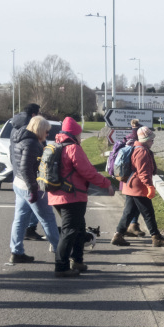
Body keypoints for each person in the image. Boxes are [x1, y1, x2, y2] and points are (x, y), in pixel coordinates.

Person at [48, 117, 114, 278]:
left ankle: (77, 260)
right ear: (74, 134)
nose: (80, 137)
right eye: (79, 134)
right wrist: (106, 183)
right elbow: (88, 172)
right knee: (69, 230)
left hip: (55, 195)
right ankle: (61, 266)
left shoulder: (55, 145)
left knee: (78, 228)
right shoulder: (73, 148)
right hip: (72, 196)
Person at [8, 115, 60, 263]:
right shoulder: (31, 143)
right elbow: (26, 168)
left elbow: (19, 165)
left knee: (19, 219)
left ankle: (16, 251)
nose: (47, 134)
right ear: (40, 129)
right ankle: (59, 251)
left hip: (18, 183)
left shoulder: (20, 138)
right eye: (46, 131)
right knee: (47, 218)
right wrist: (33, 190)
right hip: (29, 186)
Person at [111, 127, 164, 248]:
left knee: (128, 213)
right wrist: (149, 186)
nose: (153, 142)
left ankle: (118, 235)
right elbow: (143, 172)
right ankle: (156, 237)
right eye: (152, 140)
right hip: (139, 187)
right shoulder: (142, 152)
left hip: (131, 186)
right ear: (146, 140)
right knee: (148, 213)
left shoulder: (136, 148)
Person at [10, 103, 44, 242]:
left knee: (21, 213)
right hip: (29, 173)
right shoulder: (31, 129)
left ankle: (17, 247)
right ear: (34, 115)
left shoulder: (14, 127)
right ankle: (31, 229)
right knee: (41, 208)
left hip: (18, 172)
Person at [107, 118, 146, 237]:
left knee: (131, 205)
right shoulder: (137, 142)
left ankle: (129, 227)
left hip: (124, 178)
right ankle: (124, 230)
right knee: (133, 206)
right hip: (133, 180)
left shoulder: (126, 140)